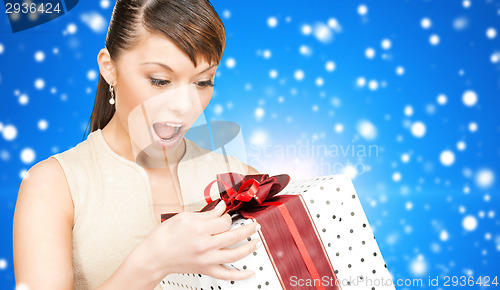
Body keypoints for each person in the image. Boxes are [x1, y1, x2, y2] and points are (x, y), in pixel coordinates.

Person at [12, 0, 261, 289]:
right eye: (160, 80)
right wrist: (153, 262)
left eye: (203, 82)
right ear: (109, 68)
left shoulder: (242, 180)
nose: (185, 105)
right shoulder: (54, 185)